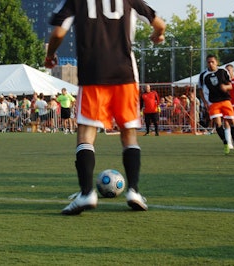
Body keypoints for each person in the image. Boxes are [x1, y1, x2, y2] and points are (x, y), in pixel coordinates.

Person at [45, 0, 165, 214]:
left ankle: (86, 193)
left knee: (86, 134)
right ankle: (134, 191)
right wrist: (157, 36)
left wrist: (50, 55)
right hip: (125, 74)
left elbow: (58, 33)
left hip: (93, 74)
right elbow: (160, 23)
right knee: (129, 135)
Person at [198, 54, 234, 155]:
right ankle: (225, 143)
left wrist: (225, 87)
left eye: (212, 62)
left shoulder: (223, 72)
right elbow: (200, 90)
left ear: (217, 63)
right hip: (213, 102)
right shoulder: (203, 75)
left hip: (225, 100)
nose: (210, 64)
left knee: (232, 122)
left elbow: (230, 86)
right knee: (218, 124)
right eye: (208, 62)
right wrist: (205, 102)